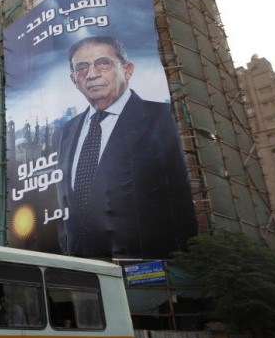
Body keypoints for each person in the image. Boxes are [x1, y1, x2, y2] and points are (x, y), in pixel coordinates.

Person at [55, 36, 197, 258]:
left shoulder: (162, 119)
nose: (91, 74)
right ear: (74, 79)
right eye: (82, 67)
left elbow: (179, 200)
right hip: (81, 267)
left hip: (148, 264)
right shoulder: (65, 132)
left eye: (103, 63)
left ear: (128, 70)